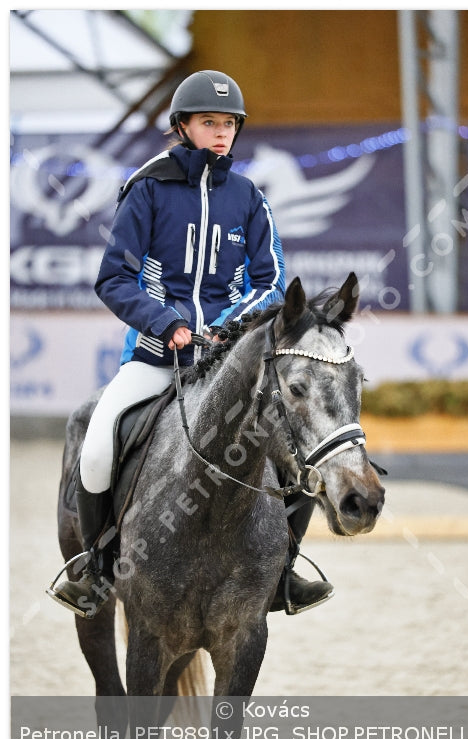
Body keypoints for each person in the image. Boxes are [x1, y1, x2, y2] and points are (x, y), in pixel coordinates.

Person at [47, 69, 333, 619]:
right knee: (99, 445)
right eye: (209, 122)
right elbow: (114, 278)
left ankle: (284, 572)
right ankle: (96, 569)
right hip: (156, 359)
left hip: (231, 364)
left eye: (229, 123)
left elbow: (272, 282)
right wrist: (166, 324)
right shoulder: (147, 189)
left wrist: (228, 329)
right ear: (182, 126)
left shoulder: (249, 198)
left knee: (295, 446)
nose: (221, 133)